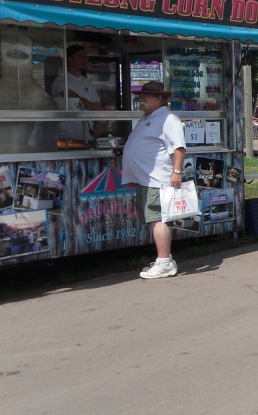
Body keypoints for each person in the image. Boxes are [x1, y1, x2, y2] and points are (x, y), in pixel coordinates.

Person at [117, 81, 186, 280]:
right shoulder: (149, 118)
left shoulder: (167, 118)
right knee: (153, 218)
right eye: (141, 96)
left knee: (156, 219)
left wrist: (176, 171)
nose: (141, 100)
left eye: (145, 96)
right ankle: (164, 260)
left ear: (158, 98)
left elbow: (178, 148)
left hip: (157, 179)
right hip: (146, 179)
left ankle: (164, 262)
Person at [51, 45, 113, 142]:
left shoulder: (88, 83)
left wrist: (97, 129)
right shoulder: (61, 81)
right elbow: (78, 100)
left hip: (87, 136)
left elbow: (96, 105)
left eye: (85, 57)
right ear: (70, 60)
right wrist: (102, 110)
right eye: (80, 57)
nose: (84, 60)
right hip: (67, 137)